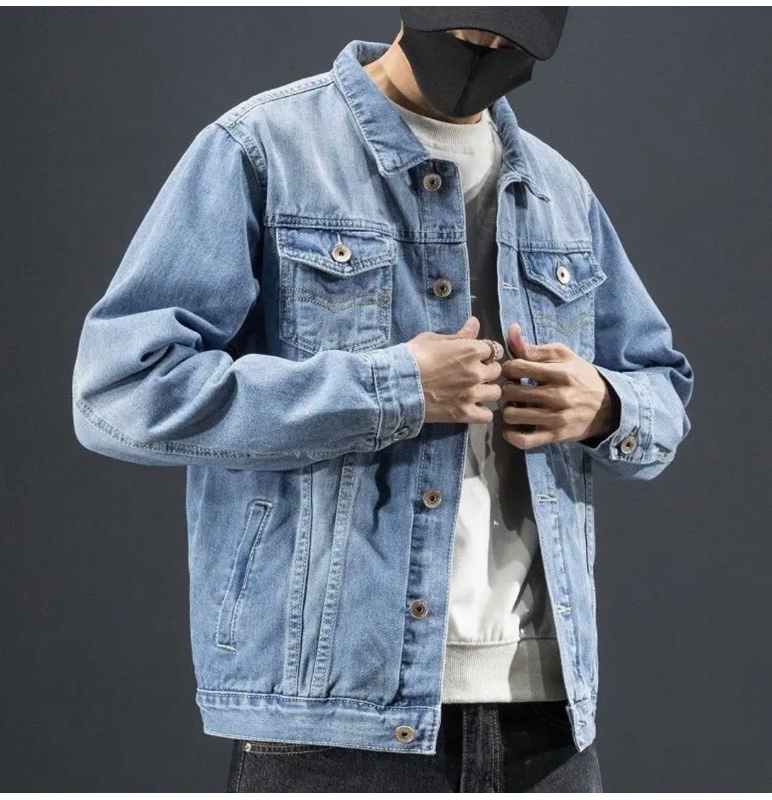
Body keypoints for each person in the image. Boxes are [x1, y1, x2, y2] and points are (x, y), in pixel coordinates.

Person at [71, 7, 694, 793]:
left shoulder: (558, 191)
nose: (486, 49)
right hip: (333, 724)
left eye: (510, 41)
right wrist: (392, 389)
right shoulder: (263, 148)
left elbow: (662, 390)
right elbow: (121, 390)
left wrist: (605, 406)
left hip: (549, 721)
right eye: (469, 30)